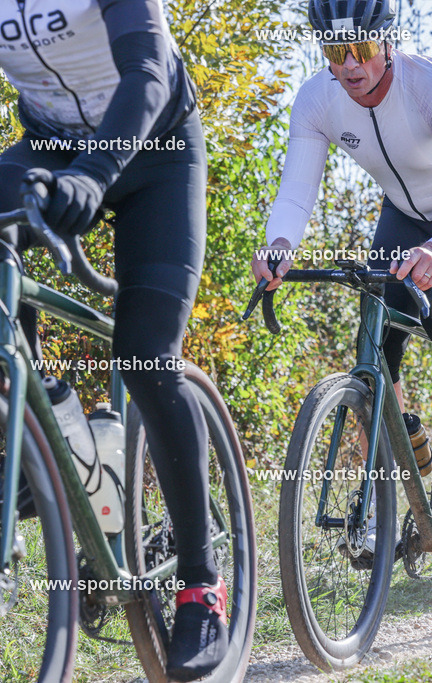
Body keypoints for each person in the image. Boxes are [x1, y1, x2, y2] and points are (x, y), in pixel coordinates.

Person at [0, 1, 225, 678]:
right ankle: (41, 422)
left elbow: (149, 70)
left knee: (146, 356)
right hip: (49, 144)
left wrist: (94, 176)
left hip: (156, 148)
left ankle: (200, 585)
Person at [251, 0, 432, 540]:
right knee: (374, 344)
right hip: (404, 212)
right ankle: (397, 468)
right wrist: (279, 245)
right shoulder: (316, 99)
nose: (351, 65)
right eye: (335, 52)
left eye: (363, 50)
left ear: (388, 44)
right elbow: (297, 194)